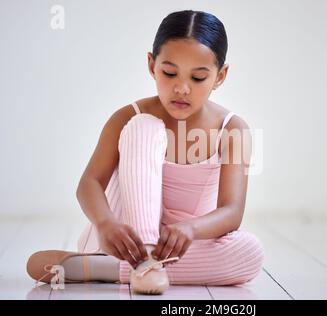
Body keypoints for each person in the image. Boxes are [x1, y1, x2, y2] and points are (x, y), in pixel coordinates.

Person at [26, 9, 264, 295]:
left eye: (198, 78)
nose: (182, 88)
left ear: (220, 76)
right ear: (151, 65)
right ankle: (144, 262)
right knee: (142, 126)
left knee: (250, 252)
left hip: (181, 246)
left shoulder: (233, 129)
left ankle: (111, 269)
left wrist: (190, 229)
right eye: (169, 72)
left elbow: (231, 211)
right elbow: (89, 183)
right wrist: (105, 223)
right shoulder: (127, 116)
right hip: (124, 240)